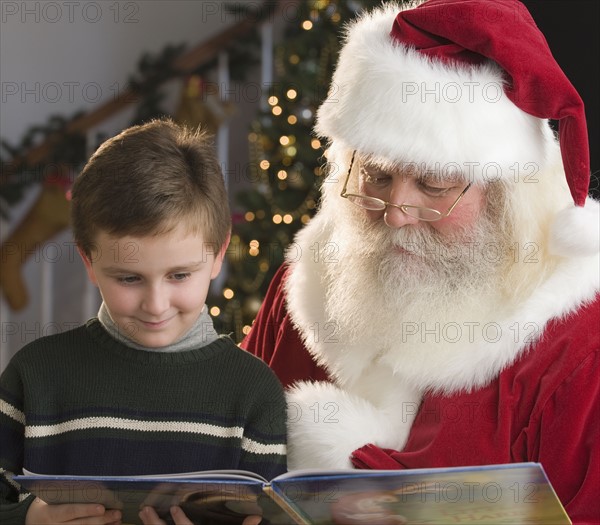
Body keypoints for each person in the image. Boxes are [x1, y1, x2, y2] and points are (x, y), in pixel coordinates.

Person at [241, 0, 599, 523]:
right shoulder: (303, 289)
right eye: (377, 177)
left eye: (434, 185)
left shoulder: (577, 347)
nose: (396, 214)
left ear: (507, 198)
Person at [0, 119, 287, 525]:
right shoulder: (33, 377)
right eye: (129, 278)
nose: (155, 305)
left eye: (179, 275)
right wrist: (29, 519)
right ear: (89, 261)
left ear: (219, 253)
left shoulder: (254, 392)